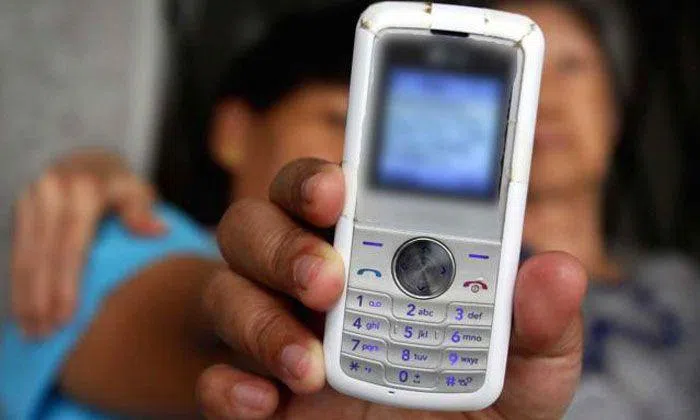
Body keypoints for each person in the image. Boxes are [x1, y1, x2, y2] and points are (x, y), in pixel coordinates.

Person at [3, 0, 696, 418]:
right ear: (235, 128)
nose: (351, 169)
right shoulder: (131, 231)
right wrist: (265, 335)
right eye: (340, 122)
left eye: (574, 68)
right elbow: (164, 310)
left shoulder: (672, 286)